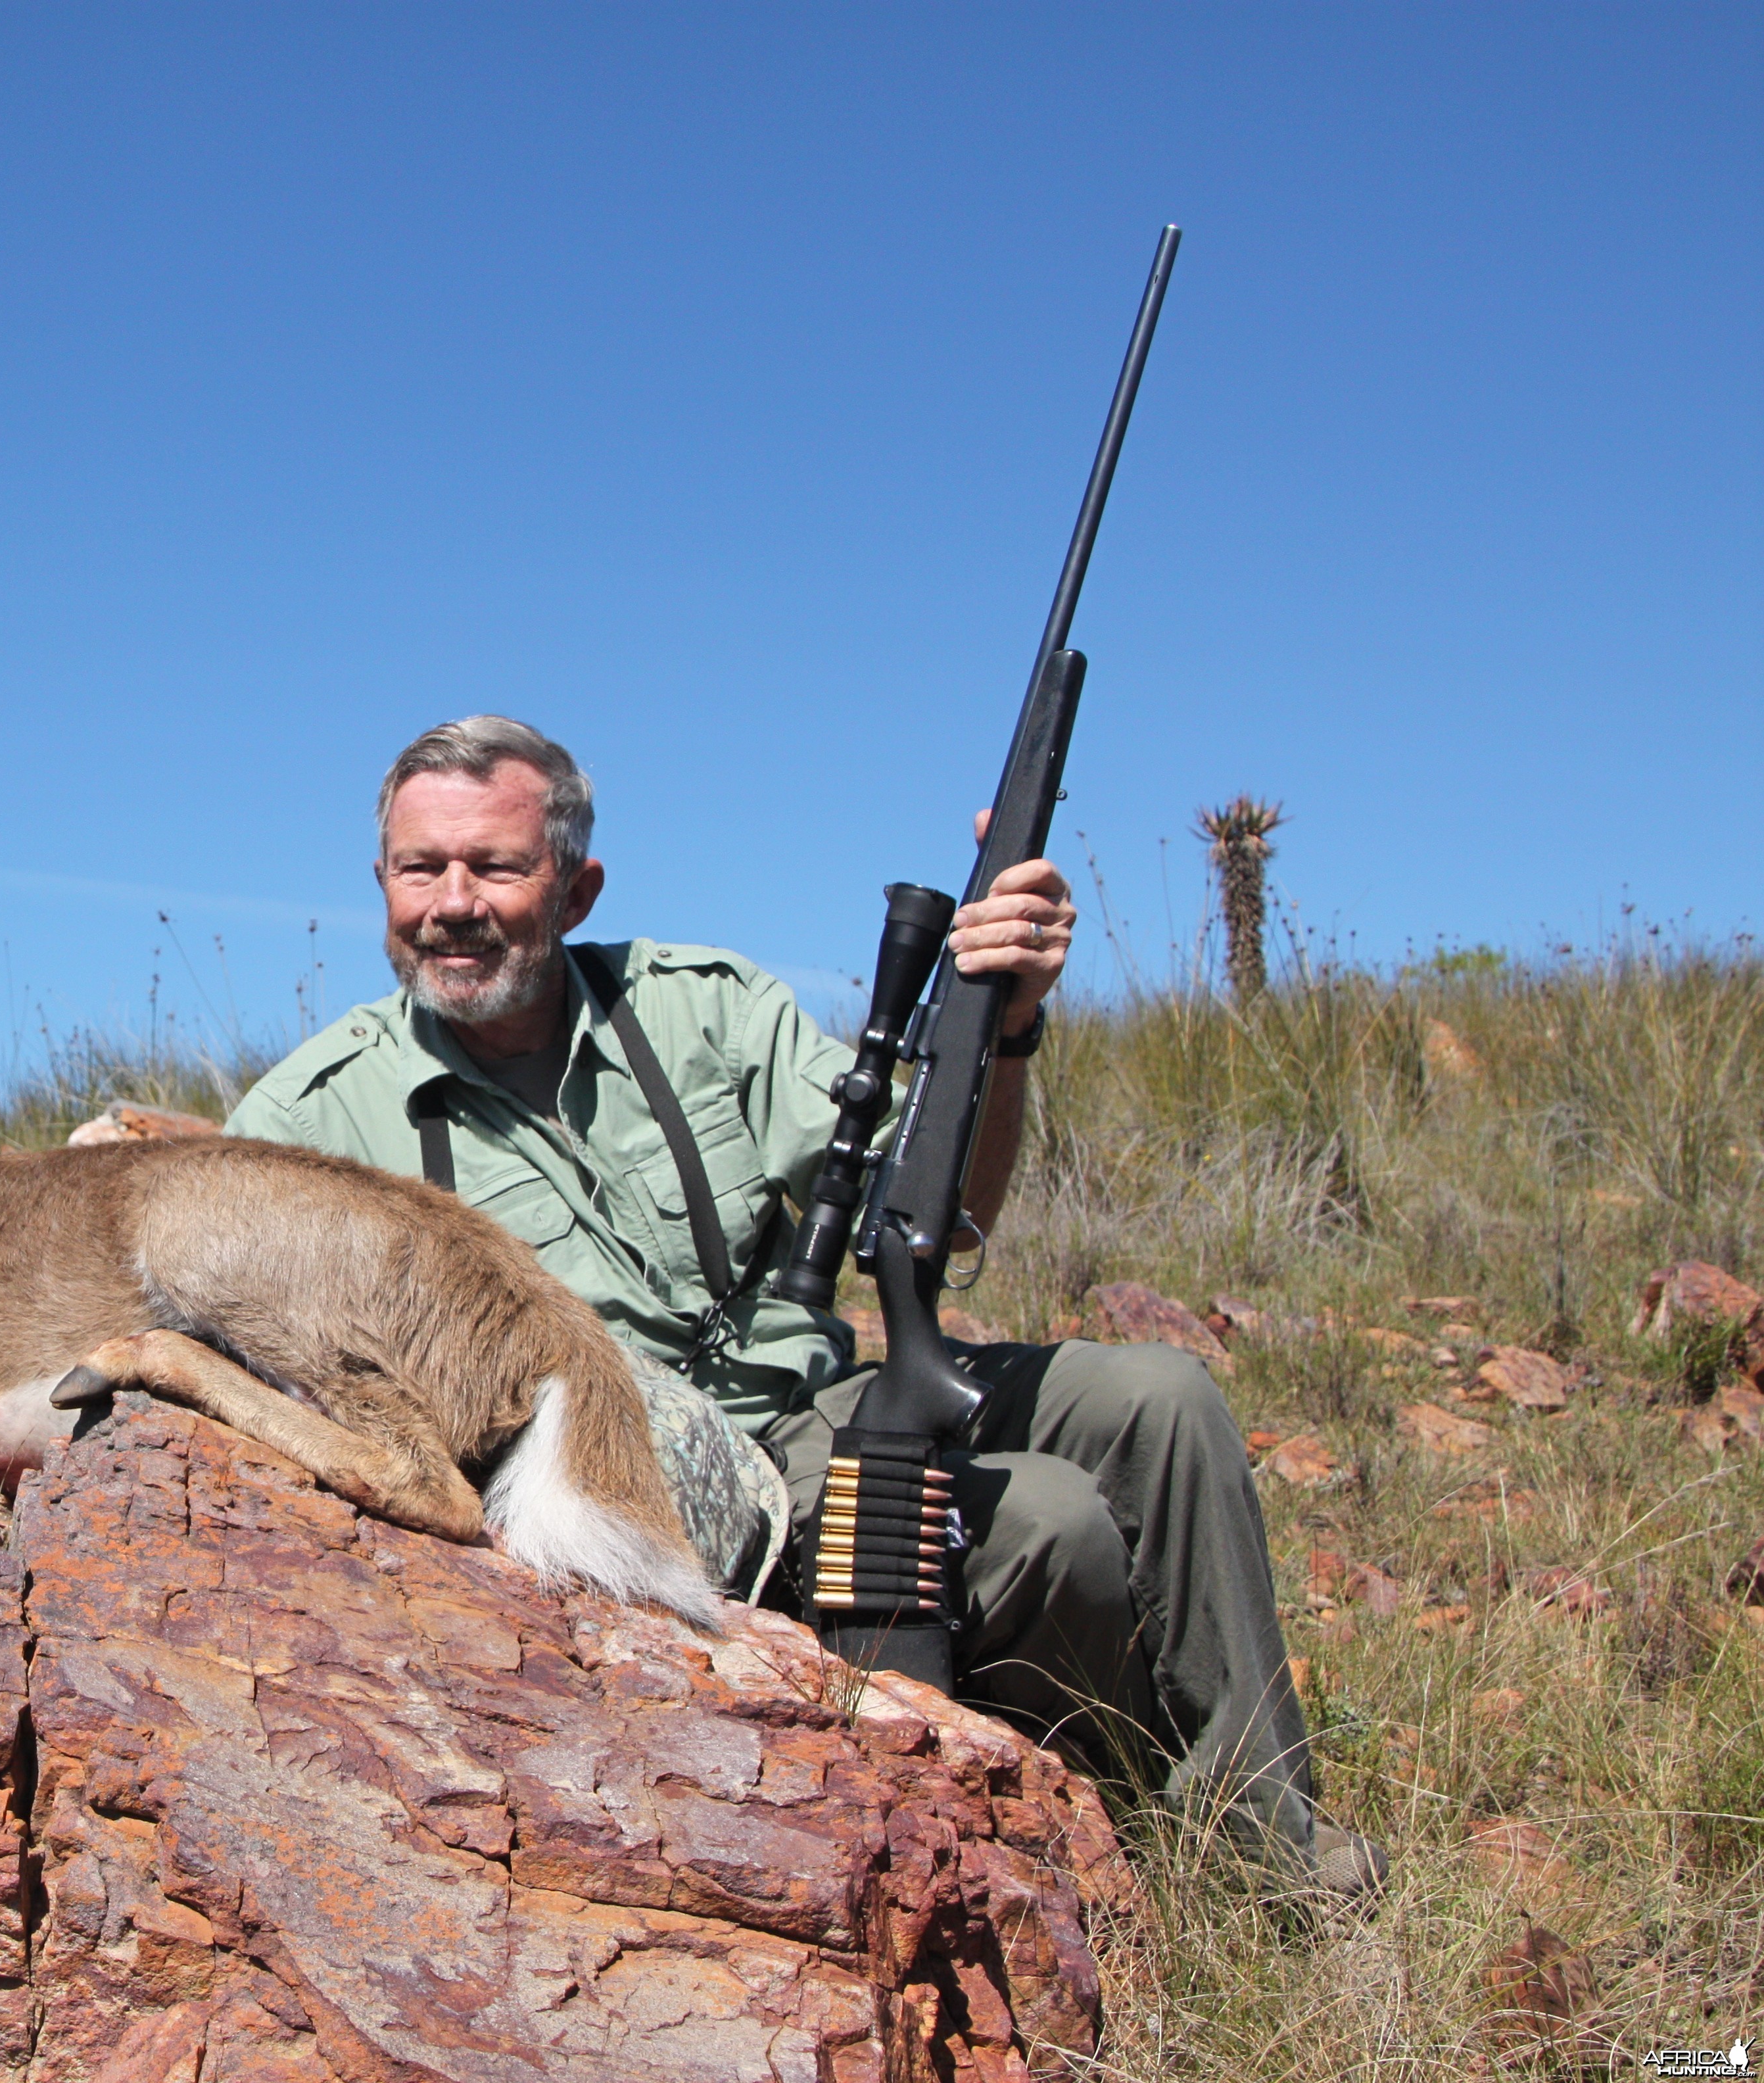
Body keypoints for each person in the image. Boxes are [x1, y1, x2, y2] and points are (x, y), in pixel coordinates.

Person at [223, 715, 1381, 1893]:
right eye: (422, 869)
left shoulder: (702, 1010)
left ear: (578, 890)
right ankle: (1116, 1853)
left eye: (498, 867)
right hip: (646, 1489)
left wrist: (1008, 1024)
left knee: (1161, 1396)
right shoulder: (305, 1122)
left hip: (816, 1401)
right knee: (1048, 1524)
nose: (452, 903)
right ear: (383, 883)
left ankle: (1274, 1860)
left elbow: (943, 1208)